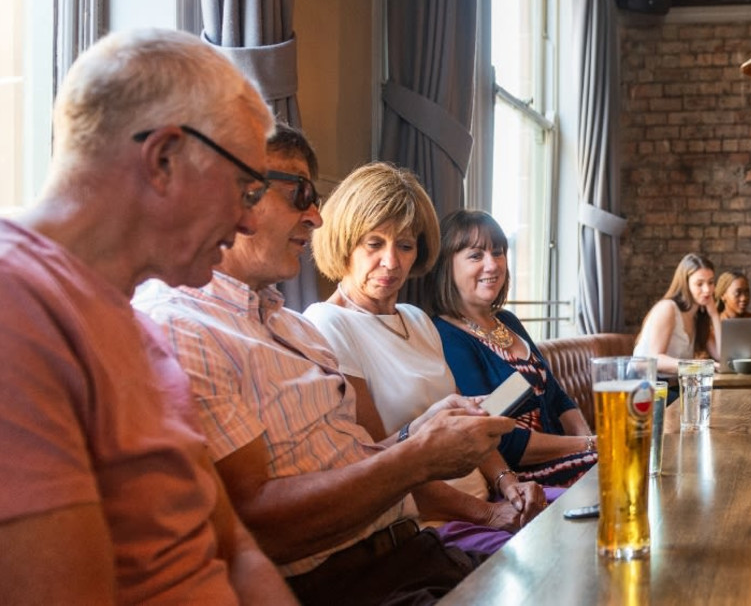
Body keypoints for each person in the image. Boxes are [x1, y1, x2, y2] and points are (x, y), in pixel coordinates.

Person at [135, 125, 521, 605]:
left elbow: (358, 456)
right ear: (226, 191)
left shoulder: (291, 328)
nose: (315, 216)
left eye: (405, 245)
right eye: (299, 193)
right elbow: (257, 525)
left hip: (414, 552)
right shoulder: (180, 327)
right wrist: (418, 457)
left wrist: (418, 435)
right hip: (350, 582)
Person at [0, 28, 295, 603]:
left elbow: (236, 552)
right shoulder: (17, 307)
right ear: (163, 158)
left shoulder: (137, 328)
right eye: (245, 188)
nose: (250, 223)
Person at [304, 162, 555, 540]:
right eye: (374, 243)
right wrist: (488, 514)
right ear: (345, 241)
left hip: (486, 502)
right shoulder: (327, 323)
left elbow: (467, 426)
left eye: (404, 246)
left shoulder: (417, 320)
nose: (392, 262)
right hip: (429, 524)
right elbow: (381, 466)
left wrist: (508, 484)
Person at [430, 209, 597, 488]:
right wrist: (587, 445)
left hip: (570, 457)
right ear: (447, 265)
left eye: (498, 252)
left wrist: (591, 444)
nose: (493, 265)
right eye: (476, 255)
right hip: (525, 477)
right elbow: (498, 438)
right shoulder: (447, 335)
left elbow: (557, 397)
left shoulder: (508, 321)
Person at [633, 252, 722, 375]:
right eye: (699, 284)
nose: (707, 290)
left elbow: (720, 355)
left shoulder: (699, 316)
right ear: (686, 284)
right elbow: (655, 360)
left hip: (672, 385)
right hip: (643, 384)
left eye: (711, 282)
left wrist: (714, 315)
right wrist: (698, 367)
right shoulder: (668, 308)